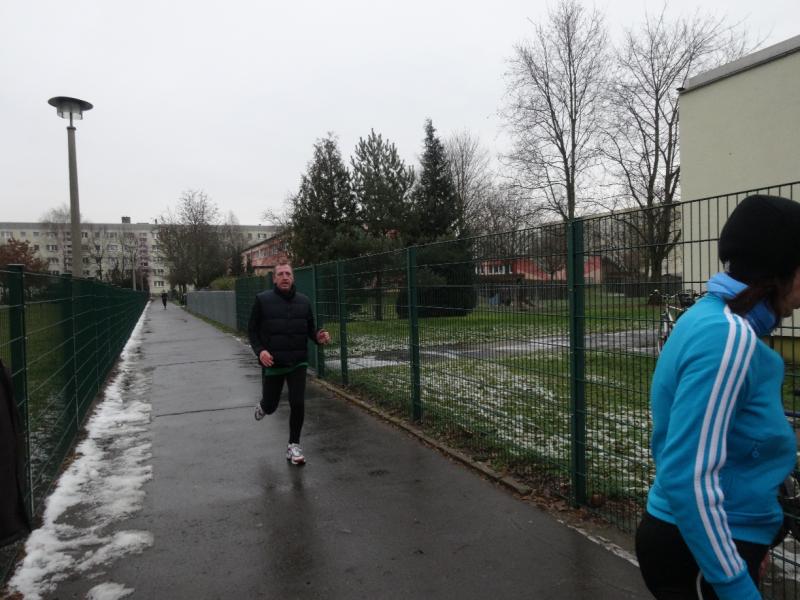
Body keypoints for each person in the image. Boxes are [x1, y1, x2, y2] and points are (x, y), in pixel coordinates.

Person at [636, 194, 800, 599]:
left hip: (710, 542)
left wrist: (751, 536)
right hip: (696, 555)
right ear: (781, 271)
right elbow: (689, 475)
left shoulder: (708, 317)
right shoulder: (727, 336)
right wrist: (733, 580)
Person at [248, 260, 330, 465]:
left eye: (288, 274)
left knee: (297, 402)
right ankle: (263, 406)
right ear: (274, 279)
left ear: (293, 278)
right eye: (281, 274)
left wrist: (318, 337)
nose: (285, 277)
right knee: (271, 405)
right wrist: (260, 351)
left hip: (297, 362)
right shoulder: (262, 300)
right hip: (273, 363)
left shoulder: (304, 301)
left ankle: (294, 445)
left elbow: (310, 329)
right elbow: (252, 331)